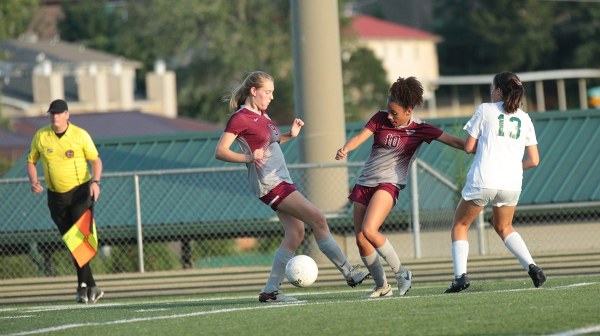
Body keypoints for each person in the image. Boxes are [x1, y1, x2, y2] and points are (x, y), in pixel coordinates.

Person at [215, 71, 369, 303]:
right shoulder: (240, 118)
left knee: (296, 232)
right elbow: (220, 151)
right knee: (318, 218)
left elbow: (269, 144)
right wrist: (248, 158)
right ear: (253, 91)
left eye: (273, 92)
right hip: (271, 183)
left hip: (280, 180)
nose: (271, 97)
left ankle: (270, 291)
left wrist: (290, 135)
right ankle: (349, 272)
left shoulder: (262, 114)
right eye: (267, 92)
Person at [335, 76, 466, 297]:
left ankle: (402, 272)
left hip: (389, 184)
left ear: (409, 110)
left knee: (369, 230)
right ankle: (382, 287)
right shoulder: (379, 119)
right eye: (388, 111)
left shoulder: (421, 129)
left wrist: (481, 147)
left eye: (394, 113)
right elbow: (360, 137)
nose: (389, 116)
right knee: (360, 239)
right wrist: (345, 148)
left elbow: (455, 142)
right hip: (364, 182)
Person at [445, 71, 546, 293]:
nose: (491, 92)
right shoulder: (525, 118)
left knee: (460, 226)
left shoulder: (485, 109)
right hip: (511, 184)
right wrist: (510, 166)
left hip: (484, 179)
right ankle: (532, 266)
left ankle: (460, 277)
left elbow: (469, 147)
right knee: (504, 227)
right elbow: (534, 160)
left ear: (499, 91)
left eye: (493, 88)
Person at [27, 99, 104, 304]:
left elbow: (95, 160)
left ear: (67, 115)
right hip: (55, 196)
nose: (55, 116)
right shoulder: (42, 136)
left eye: (59, 113)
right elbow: (31, 161)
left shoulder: (79, 135)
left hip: (79, 192)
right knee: (72, 242)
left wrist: (95, 182)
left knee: (79, 240)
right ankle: (92, 286)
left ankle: (82, 287)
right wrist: (34, 181)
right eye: (52, 113)